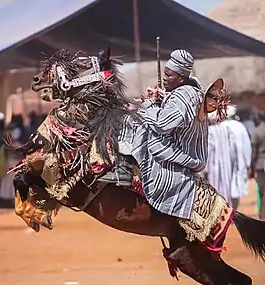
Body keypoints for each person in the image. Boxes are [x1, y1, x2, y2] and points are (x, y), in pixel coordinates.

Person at [99, 49, 209, 220]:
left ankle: (123, 169)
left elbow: (163, 124)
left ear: (181, 78)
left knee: (129, 121)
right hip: (180, 149)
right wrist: (161, 101)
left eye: (169, 75)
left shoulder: (184, 96)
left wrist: (150, 104)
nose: (165, 78)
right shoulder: (190, 92)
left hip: (176, 154)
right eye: (164, 74)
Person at [221, 105, 252, 210]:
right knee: (236, 187)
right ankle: (234, 210)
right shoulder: (240, 127)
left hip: (223, 163)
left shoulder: (221, 126)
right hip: (239, 162)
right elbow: (247, 146)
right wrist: (248, 163)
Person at [204, 112, 236, 204]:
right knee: (226, 190)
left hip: (214, 167)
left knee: (215, 191)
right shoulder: (227, 129)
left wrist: (205, 169)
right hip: (227, 165)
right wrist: (232, 164)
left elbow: (208, 151)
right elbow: (232, 149)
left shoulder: (209, 131)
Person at [250, 110, 265, 219]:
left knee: (262, 190)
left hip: (260, 164)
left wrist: (251, 167)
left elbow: (254, 152)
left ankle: (262, 216)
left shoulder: (257, 131)